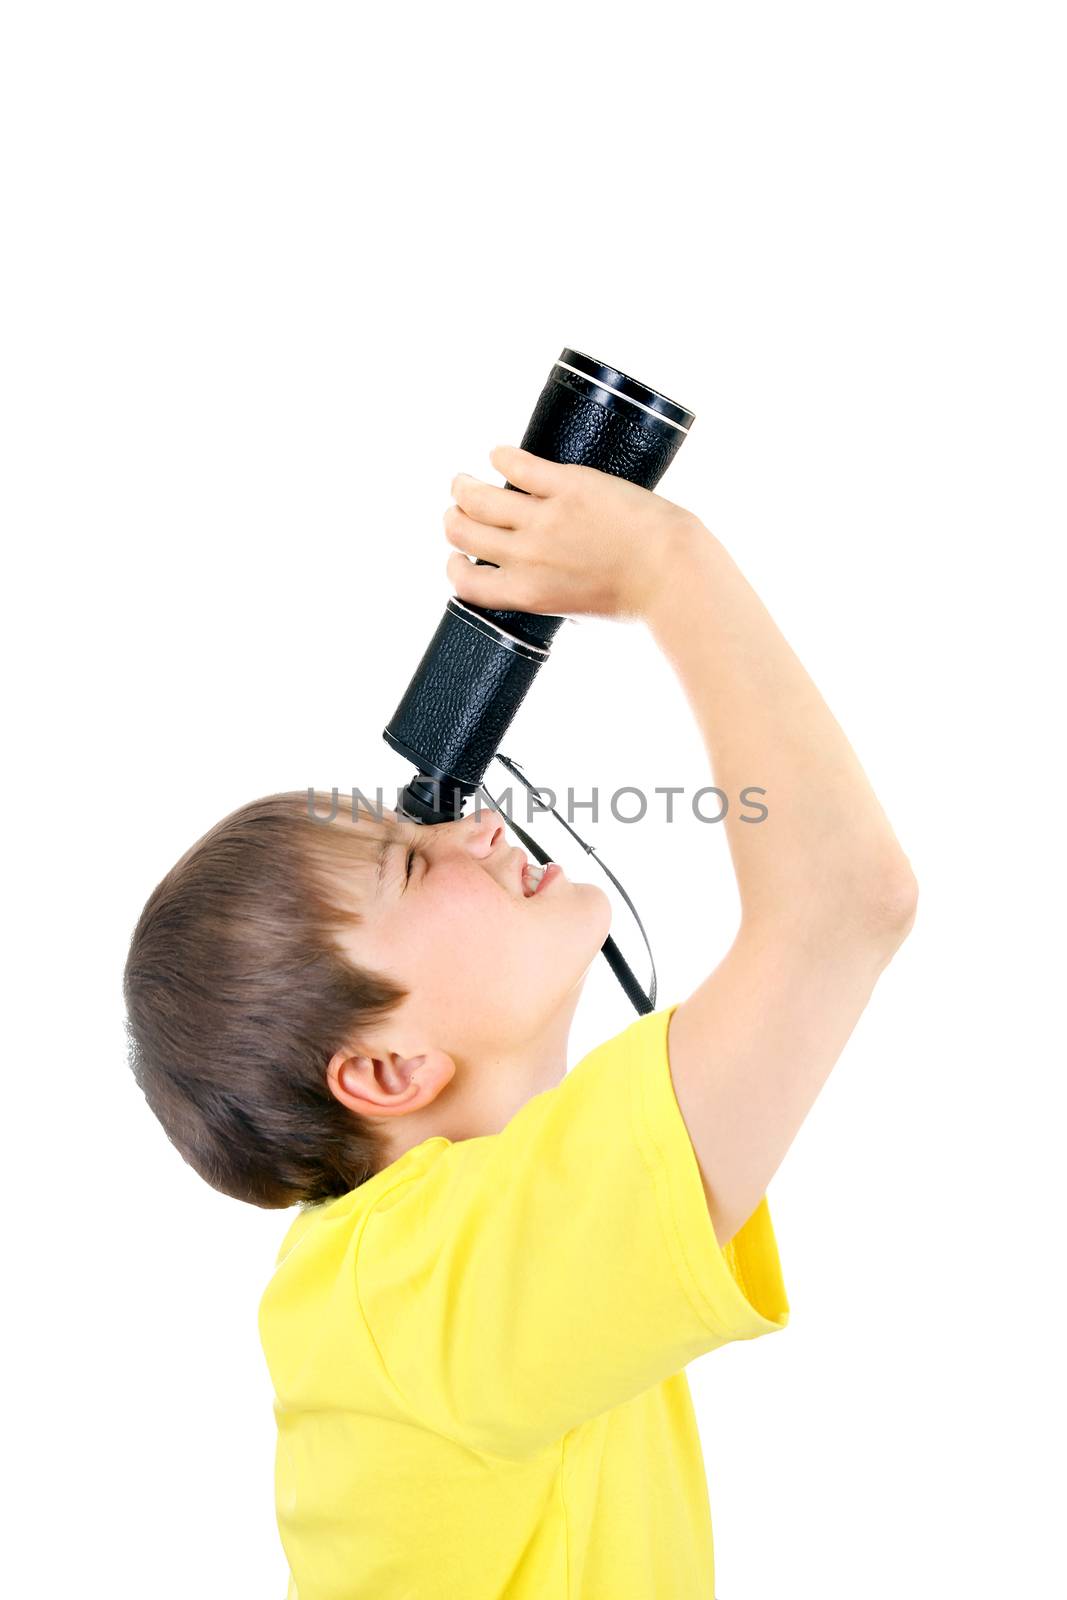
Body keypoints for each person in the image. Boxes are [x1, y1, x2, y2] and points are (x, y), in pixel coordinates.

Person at [123, 444, 918, 1598]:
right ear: (387, 1068)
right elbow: (845, 904)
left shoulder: (455, 1257)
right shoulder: (426, 1289)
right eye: (409, 864)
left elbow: (834, 915)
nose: (479, 827)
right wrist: (664, 563)